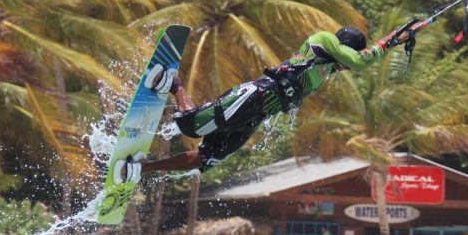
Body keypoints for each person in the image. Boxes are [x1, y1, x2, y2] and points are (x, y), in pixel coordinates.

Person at [115, 24, 421, 182]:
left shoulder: (326, 68)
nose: (342, 66)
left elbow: (353, 62)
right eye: (344, 58)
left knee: (207, 159)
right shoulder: (323, 39)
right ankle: (175, 84)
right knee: (193, 126)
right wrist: (390, 40)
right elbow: (359, 61)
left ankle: (145, 167)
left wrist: (401, 35)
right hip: (256, 94)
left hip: (259, 114)